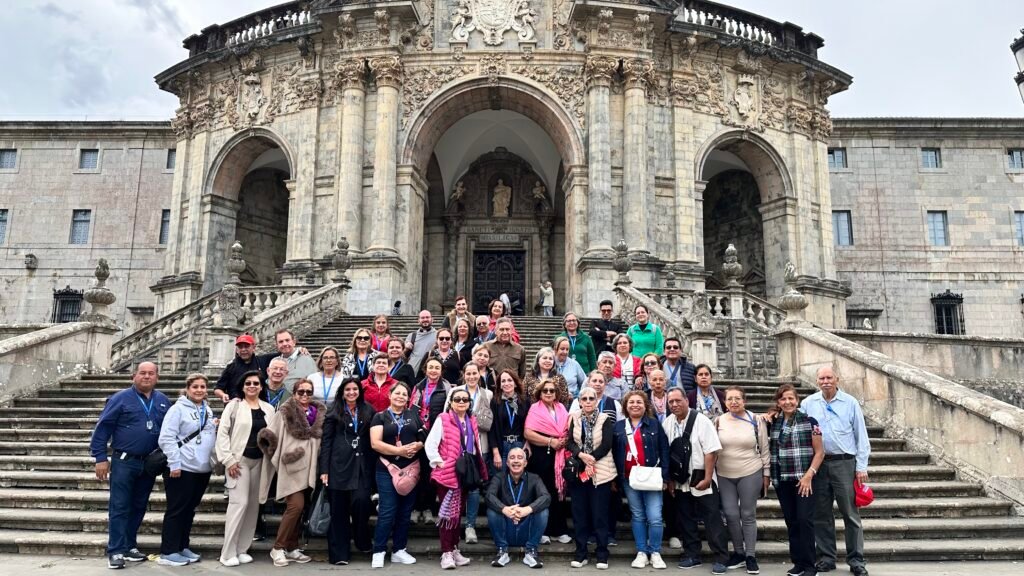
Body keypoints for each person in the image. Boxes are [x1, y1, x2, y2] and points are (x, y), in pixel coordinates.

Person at [90, 362, 170, 569]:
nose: (147, 376)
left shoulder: (163, 401)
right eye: (142, 373)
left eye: (151, 373)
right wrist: (100, 458)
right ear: (134, 376)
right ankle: (115, 550)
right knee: (119, 506)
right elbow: (103, 428)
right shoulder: (120, 398)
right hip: (124, 462)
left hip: (149, 463)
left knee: (139, 505)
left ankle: (129, 546)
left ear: (157, 377)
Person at [800, 366, 870, 576]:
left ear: (837, 379)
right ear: (817, 381)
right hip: (819, 464)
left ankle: (856, 560)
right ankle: (826, 558)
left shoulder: (850, 403)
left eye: (829, 377)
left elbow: (861, 435)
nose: (826, 381)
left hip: (844, 463)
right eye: (822, 378)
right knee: (821, 514)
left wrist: (861, 466)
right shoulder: (808, 403)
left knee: (850, 514)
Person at [257, 378, 325, 567]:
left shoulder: (318, 413)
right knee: (295, 506)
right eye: (300, 392)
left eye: (308, 392)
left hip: (310, 467)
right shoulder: (285, 412)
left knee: (300, 508)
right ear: (294, 393)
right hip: (291, 467)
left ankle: (292, 547)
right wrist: (280, 455)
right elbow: (269, 435)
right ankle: (278, 547)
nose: (305, 395)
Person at [661, 388, 729, 573]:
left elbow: (711, 451)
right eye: (671, 402)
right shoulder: (668, 422)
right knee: (685, 518)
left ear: (686, 400)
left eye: (678, 400)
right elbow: (668, 453)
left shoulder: (701, 421)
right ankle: (692, 554)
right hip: (681, 479)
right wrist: (671, 480)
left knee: (712, 517)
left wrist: (708, 477)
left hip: (701, 476)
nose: (674, 404)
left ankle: (721, 557)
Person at [155, 373, 217, 566]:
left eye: (202, 387)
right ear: (187, 389)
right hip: (181, 468)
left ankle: (182, 546)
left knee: (189, 510)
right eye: (195, 387)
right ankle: (168, 551)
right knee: (176, 510)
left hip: (202, 468)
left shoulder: (207, 409)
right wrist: (174, 463)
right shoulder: (177, 409)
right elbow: (166, 438)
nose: (199, 390)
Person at [217, 370, 275, 567]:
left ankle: (242, 549)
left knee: (252, 507)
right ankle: (227, 553)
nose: (252, 386)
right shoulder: (234, 406)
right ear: (242, 386)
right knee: (238, 504)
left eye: (256, 383)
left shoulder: (268, 409)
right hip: (238, 461)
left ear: (261, 387)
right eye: (248, 383)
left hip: (260, 461)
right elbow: (222, 433)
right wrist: (228, 460)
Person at [426, 388, 488, 569]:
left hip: (465, 473)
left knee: (457, 514)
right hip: (448, 474)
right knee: (447, 515)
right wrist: (439, 463)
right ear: (451, 402)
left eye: (465, 399)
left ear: (469, 403)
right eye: (457, 399)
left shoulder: (472, 420)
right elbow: (431, 444)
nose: (461, 402)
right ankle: (446, 552)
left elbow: (475, 445)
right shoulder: (443, 419)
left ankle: (454, 549)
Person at [770, 384, 825, 576]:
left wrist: (809, 475)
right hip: (783, 478)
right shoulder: (773, 422)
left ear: (797, 400)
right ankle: (798, 563)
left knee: (804, 520)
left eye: (791, 398)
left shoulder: (811, 422)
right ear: (778, 402)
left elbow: (820, 452)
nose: (787, 402)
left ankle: (810, 565)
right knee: (791, 521)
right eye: (783, 399)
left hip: (805, 479)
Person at [319, 378, 375, 565]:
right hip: (338, 466)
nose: (351, 392)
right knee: (339, 510)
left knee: (362, 502)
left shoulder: (368, 409)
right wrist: (324, 469)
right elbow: (326, 441)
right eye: (348, 389)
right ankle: (339, 554)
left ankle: (361, 538)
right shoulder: (333, 411)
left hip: (361, 465)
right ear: (342, 392)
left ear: (360, 391)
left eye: (355, 389)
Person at [715, 386, 770, 574]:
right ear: (725, 402)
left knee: (748, 514)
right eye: (729, 399)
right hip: (724, 473)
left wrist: (766, 474)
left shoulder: (756, 420)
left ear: (744, 401)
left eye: (737, 398)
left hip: (750, 471)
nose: (733, 402)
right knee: (730, 514)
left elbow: (764, 448)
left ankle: (750, 555)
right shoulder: (718, 421)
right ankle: (738, 553)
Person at [369, 382, 425, 568]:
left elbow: (422, 437)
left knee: (405, 511)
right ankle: (379, 550)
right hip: (387, 468)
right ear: (390, 395)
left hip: (411, 469)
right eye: (397, 393)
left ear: (408, 398)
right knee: (387, 510)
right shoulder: (380, 417)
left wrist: (418, 445)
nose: (401, 396)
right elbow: (375, 443)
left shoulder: (413, 415)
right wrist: (399, 451)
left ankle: (399, 550)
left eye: (404, 394)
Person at [612, 390, 670, 570]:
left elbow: (664, 450)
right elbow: (613, 453)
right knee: (637, 515)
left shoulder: (654, 424)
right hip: (629, 478)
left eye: (639, 402)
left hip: (652, 477)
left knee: (655, 516)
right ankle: (642, 551)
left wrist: (665, 476)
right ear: (625, 406)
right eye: (631, 402)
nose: (635, 405)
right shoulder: (618, 427)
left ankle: (655, 552)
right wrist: (615, 478)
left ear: (645, 406)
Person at [566, 386, 616, 569]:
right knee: (580, 515)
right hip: (579, 473)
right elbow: (570, 442)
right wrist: (581, 455)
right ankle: (581, 554)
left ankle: (602, 554)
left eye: (591, 398)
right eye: (584, 399)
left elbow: (607, 444)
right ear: (579, 401)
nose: (587, 402)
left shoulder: (604, 419)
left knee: (599, 516)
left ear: (597, 401)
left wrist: (591, 458)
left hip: (600, 473)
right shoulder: (574, 418)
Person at [444, 362, 494, 543]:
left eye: (475, 373)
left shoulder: (487, 394)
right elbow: (446, 417)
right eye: (468, 373)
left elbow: (490, 421)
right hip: (456, 448)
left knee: (473, 488)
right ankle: (455, 525)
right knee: (456, 487)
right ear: (463, 374)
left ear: (480, 375)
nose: (472, 376)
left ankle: (470, 526)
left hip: (479, 447)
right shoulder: (454, 391)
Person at [523, 379, 572, 544]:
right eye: (545, 391)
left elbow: (568, 428)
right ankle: (542, 530)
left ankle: (559, 530)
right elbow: (528, 433)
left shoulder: (561, 408)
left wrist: (564, 439)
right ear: (540, 393)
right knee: (543, 492)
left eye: (552, 390)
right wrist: (551, 441)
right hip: (541, 455)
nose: (549, 393)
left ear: (556, 393)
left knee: (559, 492)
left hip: (559, 456)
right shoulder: (535, 409)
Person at [486, 448, 551, 569]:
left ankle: (531, 551)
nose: (516, 461)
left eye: (520, 458)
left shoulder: (534, 478)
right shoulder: (499, 477)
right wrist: (504, 509)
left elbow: (546, 497)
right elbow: (489, 496)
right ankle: (502, 551)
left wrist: (528, 509)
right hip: (506, 530)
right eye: (512, 458)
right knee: (492, 511)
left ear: (525, 463)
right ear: (507, 463)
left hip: (526, 531)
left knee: (543, 511)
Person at [411, 357, 453, 524]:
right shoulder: (418, 387)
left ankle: (428, 507)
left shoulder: (446, 388)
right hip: (419, 434)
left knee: (431, 472)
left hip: (437, 436)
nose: (433, 370)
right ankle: (416, 507)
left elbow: (448, 412)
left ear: (441, 370)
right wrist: (419, 429)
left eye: (437, 367)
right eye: (430, 367)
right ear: (425, 369)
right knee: (417, 471)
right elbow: (412, 410)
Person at [214, 334, 275, 401]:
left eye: (246, 346)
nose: (243, 349)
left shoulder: (263, 361)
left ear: (253, 347)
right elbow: (218, 388)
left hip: (259, 404)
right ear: (237, 350)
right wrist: (223, 395)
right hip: (237, 404)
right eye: (240, 347)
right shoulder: (231, 367)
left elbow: (282, 354)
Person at [489, 370, 529, 470]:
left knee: (519, 475)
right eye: (503, 381)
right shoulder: (495, 402)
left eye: (510, 380)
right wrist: (495, 452)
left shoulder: (525, 401)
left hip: (520, 445)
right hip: (502, 445)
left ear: (515, 383)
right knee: (502, 476)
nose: (506, 383)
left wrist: (528, 443)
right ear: (500, 385)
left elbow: (530, 425)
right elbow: (492, 428)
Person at [405, 310, 438, 374]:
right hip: (413, 372)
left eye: (427, 317)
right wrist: (406, 349)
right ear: (418, 320)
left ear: (432, 319)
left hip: (431, 372)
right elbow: (404, 357)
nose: (425, 319)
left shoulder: (438, 336)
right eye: (422, 318)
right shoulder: (411, 336)